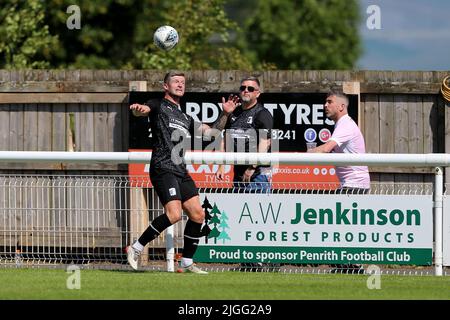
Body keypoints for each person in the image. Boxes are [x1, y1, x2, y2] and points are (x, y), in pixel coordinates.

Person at [127, 71, 240, 274]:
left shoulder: (185, 116)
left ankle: (187, 261)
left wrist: (225, 113)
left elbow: (212, 132)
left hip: (180, 170)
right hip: (163, 168)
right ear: (165, 86)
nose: (180, 84)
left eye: (182, 82)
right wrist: (138, 110)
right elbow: (143, 111)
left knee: (198, 214)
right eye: (176, 81)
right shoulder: (158, 104)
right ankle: (135, 247)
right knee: (174, 215)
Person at [216, 76, 275, 272]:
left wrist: (252, 167)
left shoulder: (262, 113)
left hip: (257, 175)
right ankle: (249, 262)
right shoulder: (235, 113)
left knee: (259, 217)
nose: (246, 90)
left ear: (258, 93)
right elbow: (222, 136)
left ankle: (266, 261)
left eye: (251, 88)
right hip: (238, 174)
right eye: (243, 87)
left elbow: (265, 144)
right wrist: (220, 166)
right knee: (242, 218)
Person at [308, 90, 370, 274]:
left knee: (346, 226)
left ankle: (352, 265)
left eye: (329, 102)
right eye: (325, 102)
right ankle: (347, 265)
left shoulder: (345, 125)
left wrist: (306, 154)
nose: (325, 105)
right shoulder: (343, 125)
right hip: (350, 184)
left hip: (354, 185)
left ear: (341, 106)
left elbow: (326, 149)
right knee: (344, 226)